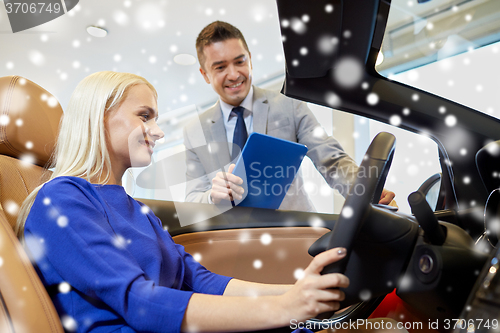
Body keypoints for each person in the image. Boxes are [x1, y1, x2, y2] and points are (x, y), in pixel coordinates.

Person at [15, 71, 350, 333]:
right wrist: (285, 309)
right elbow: (140, 304)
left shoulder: (137, 209)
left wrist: (293, 293)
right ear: (100, 116)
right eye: (144, 116)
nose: (158, 131)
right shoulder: (61, 199)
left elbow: (200, 280)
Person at [183, 21, 396, 211]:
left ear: (250, 60)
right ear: (205, 74)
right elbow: (192, 198)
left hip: (293, 235)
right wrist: (213, 197)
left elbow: (331, 160)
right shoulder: (194, 131)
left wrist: (366, 191)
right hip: (232, 240)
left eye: (240, 62)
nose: (233, 74)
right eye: (220, 67)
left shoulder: (288, 104)